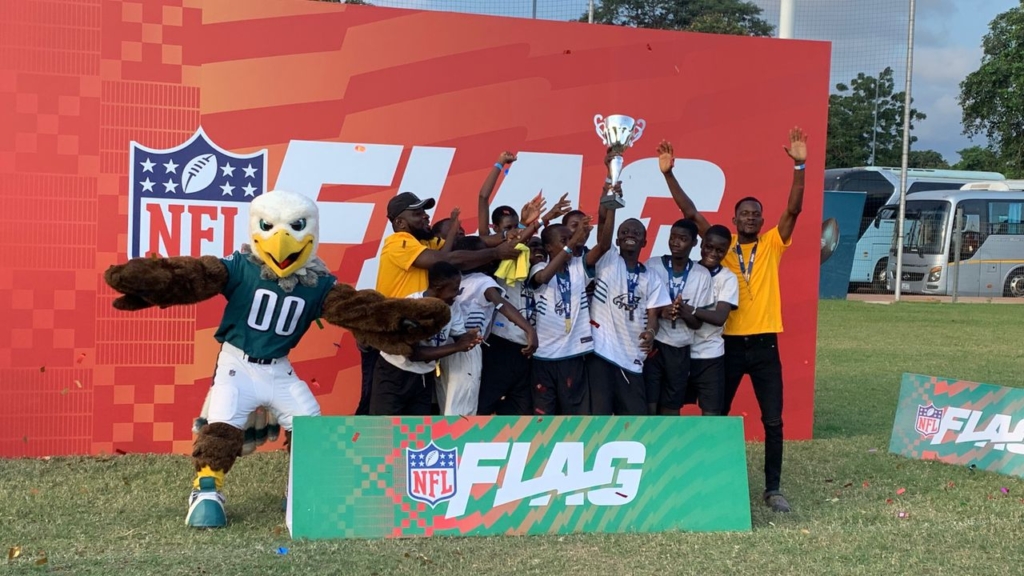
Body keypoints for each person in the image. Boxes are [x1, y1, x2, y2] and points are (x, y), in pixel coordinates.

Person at [657, 128, 808, 513]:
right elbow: (691, 214)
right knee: (717, 417)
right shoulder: (722, 247)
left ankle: (772, 489)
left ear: (762, 220)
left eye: (756, 214)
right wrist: (668, 174)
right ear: (734, 218)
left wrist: (800, 166)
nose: (751, 218)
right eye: (745, 213)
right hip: (728, 347)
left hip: (765, 345)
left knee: (773, 421)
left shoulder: (772, 244)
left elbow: (793, 211)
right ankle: (706, 479)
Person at [358, 192, 520, 415]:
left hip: (419, 345)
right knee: (374, 415)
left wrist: (511, 234)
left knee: (416, 419)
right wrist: (495, 253)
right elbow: (447, 259)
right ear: (400, 223)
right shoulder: (398, 242)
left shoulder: (426, 242)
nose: (426, 217)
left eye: (425, 212)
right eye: (417, 213)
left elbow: (472, 245)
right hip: (390, 339)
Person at [529, 190, 613, 415]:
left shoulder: (579, 265)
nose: (571, 243)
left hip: (574, 355)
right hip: (544, 356)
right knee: (543, 417)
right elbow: (543, 278)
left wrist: (612, 207)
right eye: (564, 240)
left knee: (575, 416)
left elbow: (604, 246)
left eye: (571, 239)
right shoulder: (539, 267)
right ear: (549, 247)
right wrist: (571, 245)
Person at [439, 236, 538, 415]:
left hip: (448, 347)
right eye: (483, 252)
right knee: (464, 407)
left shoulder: (454, 280)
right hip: (468, 349)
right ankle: (461, 433)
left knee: (449, 403)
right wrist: (529, 329)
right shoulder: (483, 281)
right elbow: (502, 304)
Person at [371, 262, 483, 415]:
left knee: (418, 427)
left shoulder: (452, 307)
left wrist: (470, 338)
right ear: (438, 288)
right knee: (384, 426)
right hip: (395, 373)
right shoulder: (412, 306)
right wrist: (458, 347)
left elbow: (458, 336)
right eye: (454, 289)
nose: (457, 294)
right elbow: (414, 354)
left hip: (423, 377)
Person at [589, 216, 672, 415]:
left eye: (636, 233)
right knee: (599, 416)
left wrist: (651, 333)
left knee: (634, 417)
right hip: (601, 352)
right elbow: (603, 229)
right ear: (617, 240)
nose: (630, 235)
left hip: (632, 355)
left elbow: (654, 315)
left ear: (644, 242)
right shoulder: (608, 259)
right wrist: (611, 206)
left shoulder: (651, 277)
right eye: (624, 232)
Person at [643, 219, 714, 415]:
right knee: (649, 402)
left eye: (682, 239)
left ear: (694, 243)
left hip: (680, 349)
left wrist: (683, 311)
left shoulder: (701, 275)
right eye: (673, 237)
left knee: (672, 405)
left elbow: (697, 324)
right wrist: (661, 311)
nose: (676, 242)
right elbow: (640, 307)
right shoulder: (652, 265)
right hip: (654, 345)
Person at [686, 224, 739, 416]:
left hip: (710, 354)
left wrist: (691, 310)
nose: (713, 253)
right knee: (669, 408)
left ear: (726, 251)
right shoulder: (687, 270)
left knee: (712, 413)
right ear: (701, 244)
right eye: (709, 247)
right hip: (680, 351)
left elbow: (719, 317)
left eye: (720, 250)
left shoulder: (728, 278)